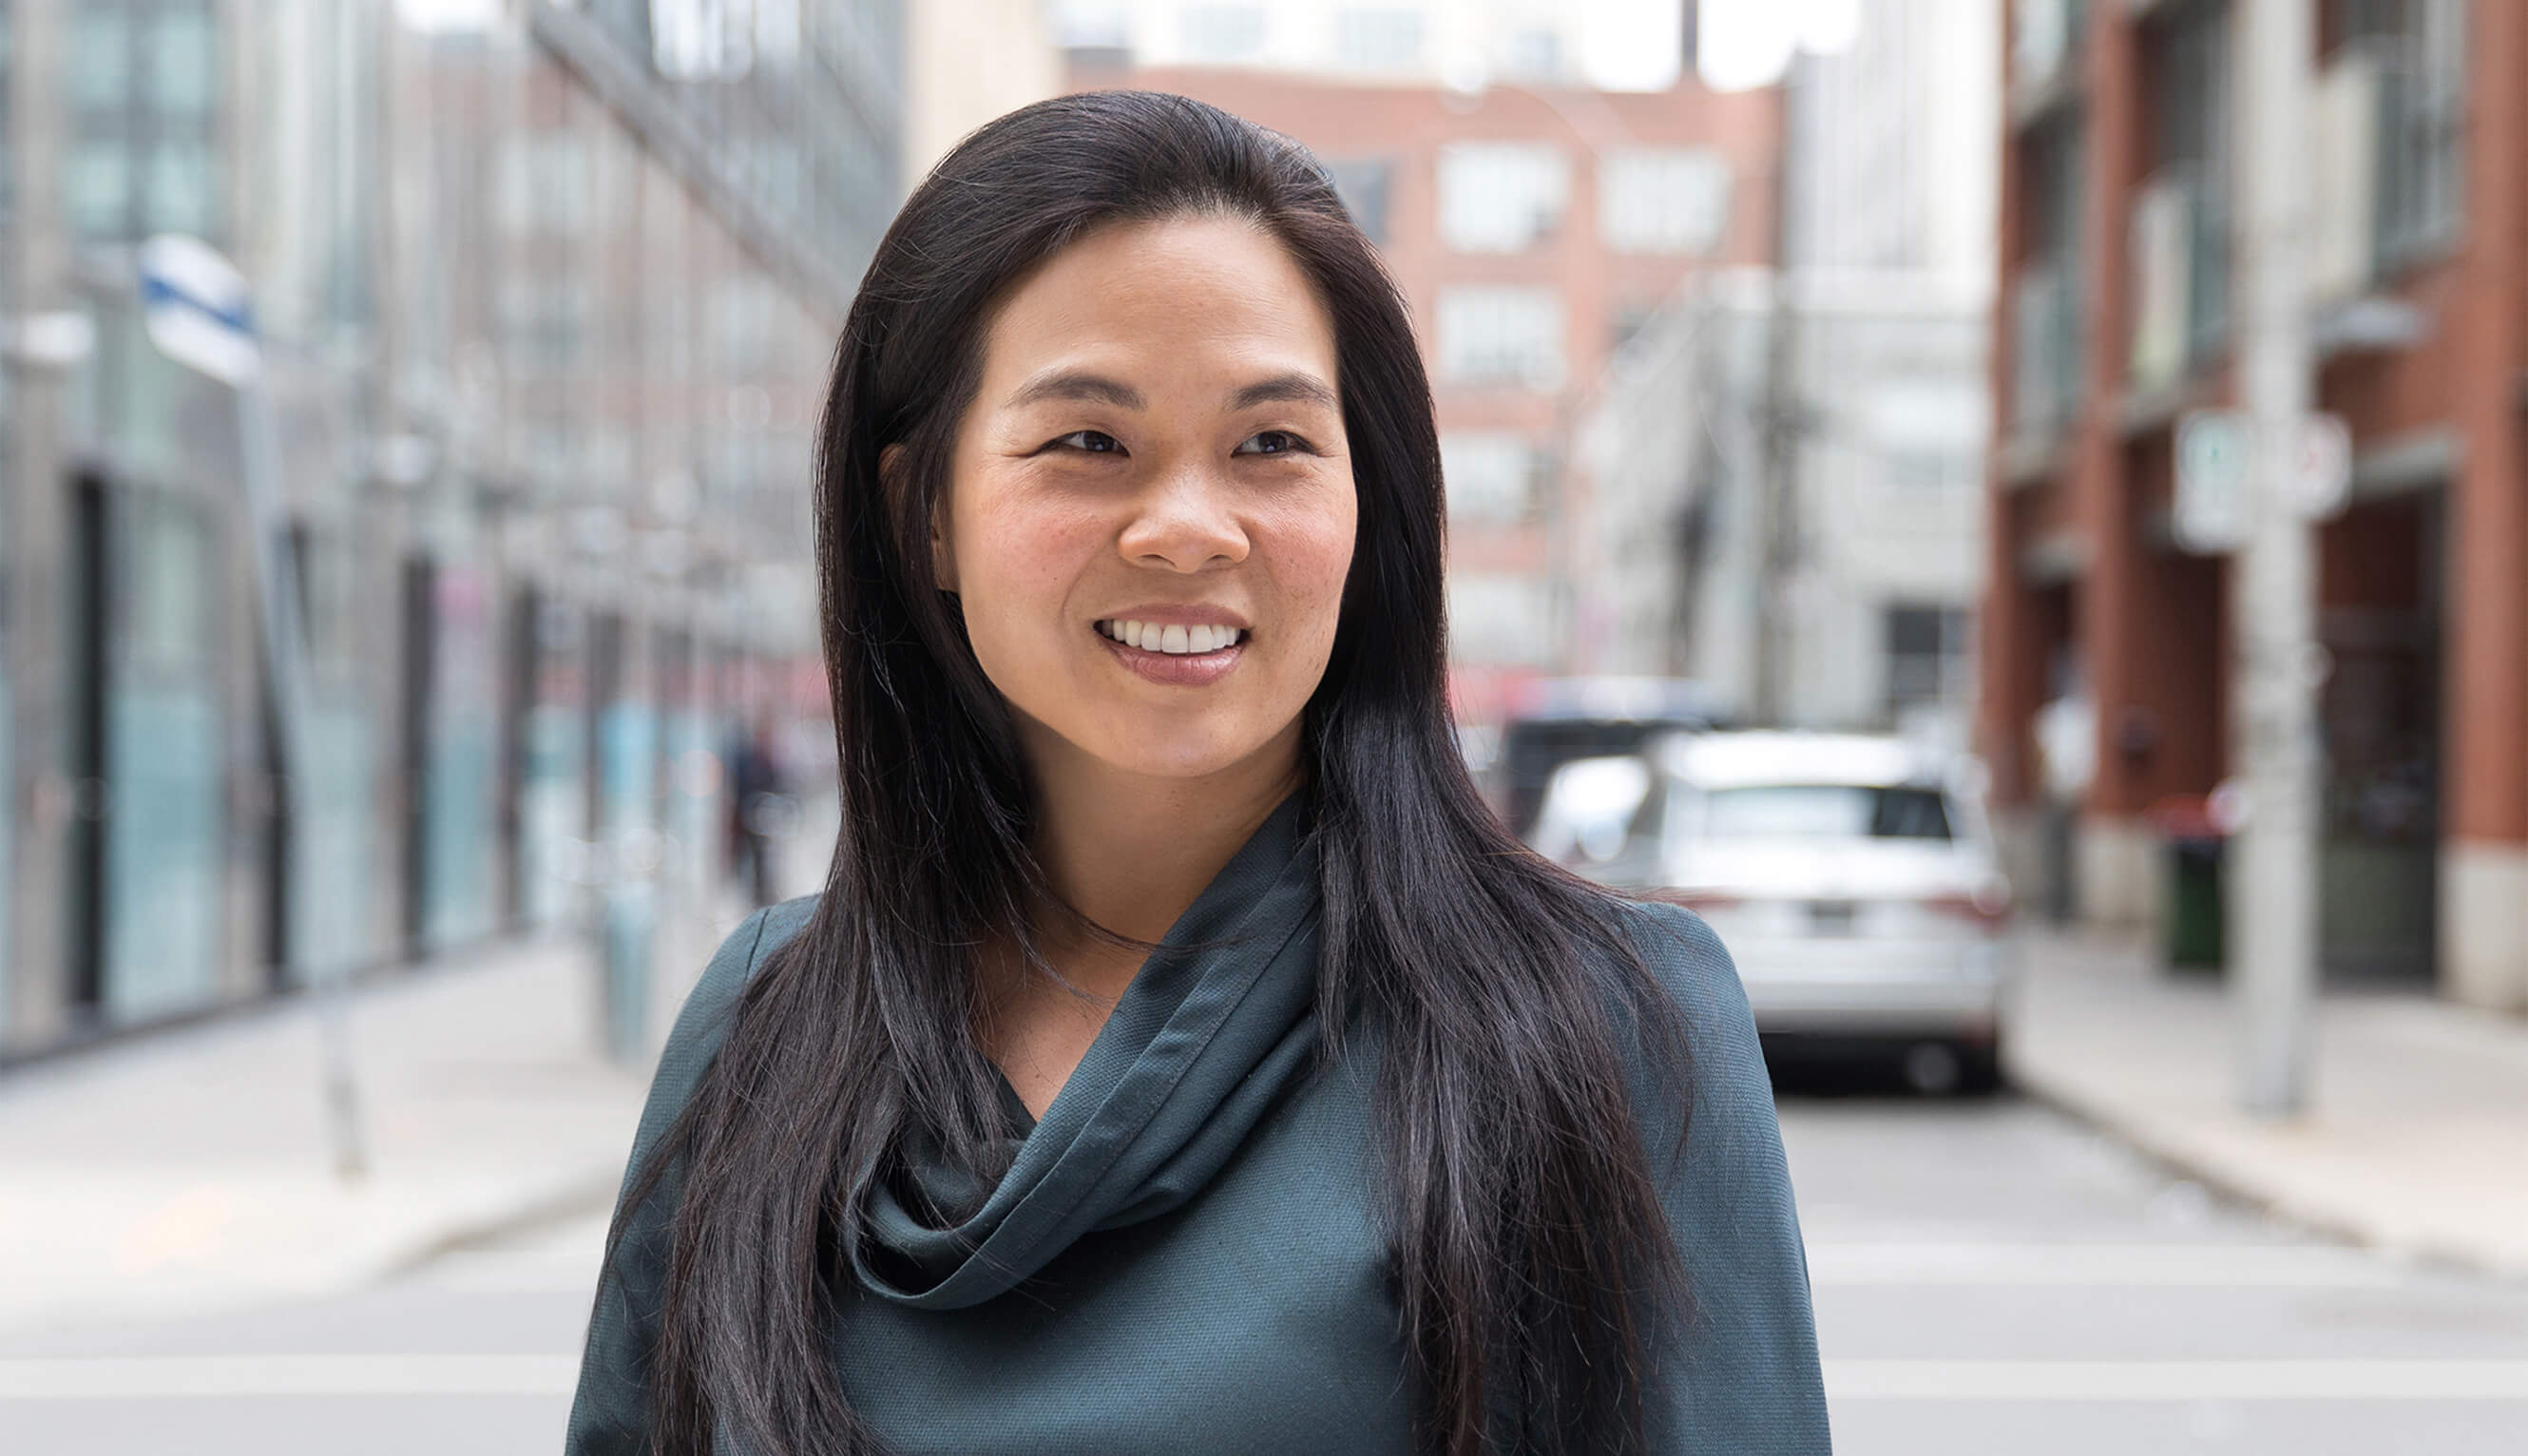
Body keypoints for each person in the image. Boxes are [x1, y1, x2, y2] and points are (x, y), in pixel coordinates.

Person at [569, 92, 1827, 1456]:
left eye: (1272, 444)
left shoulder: (1608, 1028)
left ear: (1368, 504)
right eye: (1088, 442)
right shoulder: (764, 1028)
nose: (1186, 528)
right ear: (921, 511)